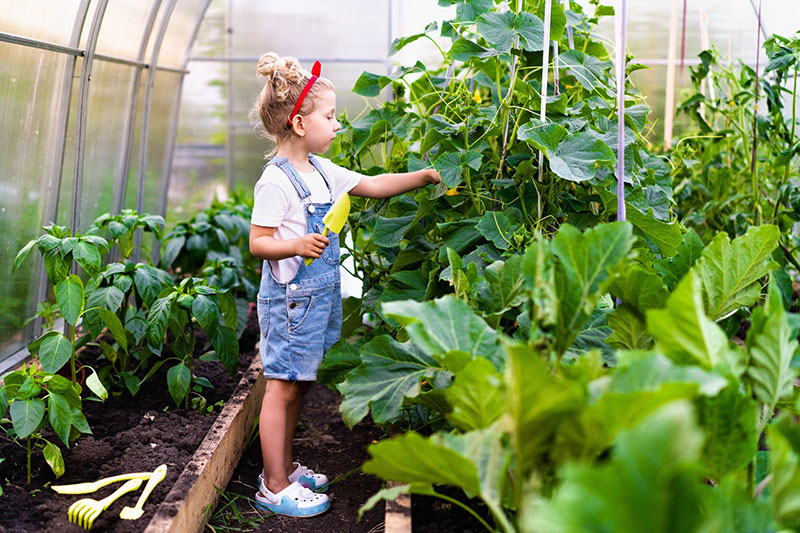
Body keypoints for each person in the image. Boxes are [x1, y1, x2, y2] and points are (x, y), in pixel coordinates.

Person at [248, 52, 441, 517]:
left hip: (318, 300)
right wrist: (295, 245)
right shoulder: (276, 181)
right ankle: (274, 486)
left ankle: (285, 467)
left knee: (298, 386)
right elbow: (258, 242)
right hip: (292, 301)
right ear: (298, 124)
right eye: (330, 116)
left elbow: (373, 184)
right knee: (281, 387)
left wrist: (425, 176)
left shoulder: (324, 171)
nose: (338, 125)